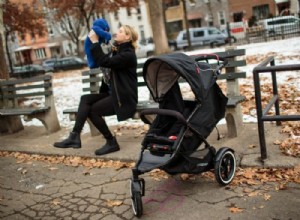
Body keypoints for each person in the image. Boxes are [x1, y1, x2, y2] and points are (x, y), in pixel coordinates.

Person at [53, 25, 138, 156]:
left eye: (120, 31)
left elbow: (104, 62)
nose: (117, 32)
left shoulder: (128, 55)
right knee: (85, 99)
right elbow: (102, 61)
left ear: (128, 37)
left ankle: (111, 142)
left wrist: (94, 42)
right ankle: (74, 136)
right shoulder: (117, 51)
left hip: (123, 98)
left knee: (93, 110)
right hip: (113, 94)